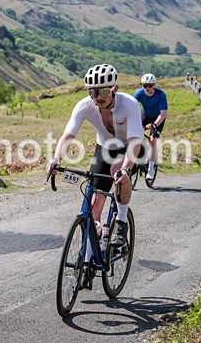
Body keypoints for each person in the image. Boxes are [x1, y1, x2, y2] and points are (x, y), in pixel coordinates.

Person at [47, 63, 141, 264]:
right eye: (94, 92)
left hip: (130, 148)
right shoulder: (85, 106)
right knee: (95, 201)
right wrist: (56, 159)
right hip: (105, 147)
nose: (99, 97)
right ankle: (89, 257)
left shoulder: (129, 104)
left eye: (104, 91)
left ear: (115, 89)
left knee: (118, 171)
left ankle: (122, 221)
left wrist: (126, 168)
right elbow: (68, 135)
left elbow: (135, 142)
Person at [133, 73, 168, 181]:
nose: (147, 88)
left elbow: (163, 114)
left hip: (158, 118)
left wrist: (154, 125)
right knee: (136, 135)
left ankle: (151, 169)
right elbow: (132, 107)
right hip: (146, 115)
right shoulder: (139, 93)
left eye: (150, 85)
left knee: (152, 140)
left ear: (154, 85)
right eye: (145, 86)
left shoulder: (161, 94)